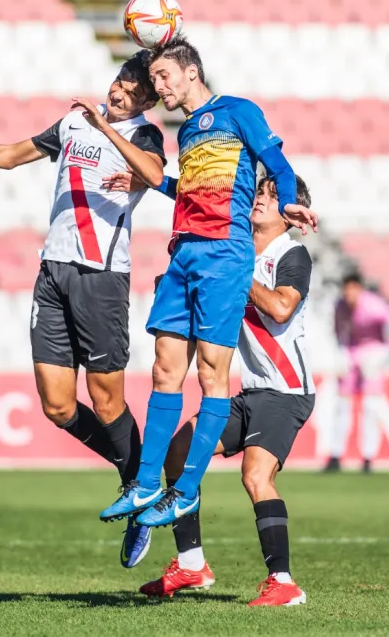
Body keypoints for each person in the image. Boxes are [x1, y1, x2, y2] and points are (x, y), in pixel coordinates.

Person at [0, 52, 165, 567]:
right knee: (58, 406)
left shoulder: (144, 135)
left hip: (101, 276)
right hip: (53, 272)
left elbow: (155, 175)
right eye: (119, 82)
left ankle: (140, 491)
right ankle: (139, 479)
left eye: (134, 92)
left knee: (106, 400)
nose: (120, 93)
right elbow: (9, 155)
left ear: (148, 102)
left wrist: (108, 131)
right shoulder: (73, 122)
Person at [99, 36, 318, 528]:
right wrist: (149, 181)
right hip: (184, 252)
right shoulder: (185, 133)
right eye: (154, 79)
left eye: (163, 76)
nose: (158, 87)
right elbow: (192, 191)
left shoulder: (238, 111)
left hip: (224, 253)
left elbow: (277, 164)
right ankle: (146, 483)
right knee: (163, 369)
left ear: (191, 72)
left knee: (211, 375)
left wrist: (286, 201)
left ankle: (184, 491)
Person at [105, 173, 314, 605]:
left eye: (273, 196)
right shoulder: (234, 251)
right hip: (250, 391)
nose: (260, 199)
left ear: (291, 214)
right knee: (177, 453)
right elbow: (200, 195)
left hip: (285, 390)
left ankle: (283, 582)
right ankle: (192, 565)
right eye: (259, 192)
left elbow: (280, 308)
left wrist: (235, 275)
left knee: (255, 475)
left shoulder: (290, 254)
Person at [323, 271, 389, 474]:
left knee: (371, 406)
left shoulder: (374, 306)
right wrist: (341, 351)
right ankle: (336, 455)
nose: (349, 295)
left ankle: (368, 457)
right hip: (351, 353)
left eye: (353, 290)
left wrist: (386, 352)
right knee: (341, 405)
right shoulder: (340, 305)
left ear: (360, 289)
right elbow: (338, 330)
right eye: (346, 291)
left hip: (373, 355)